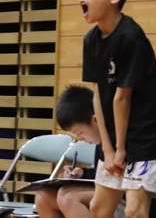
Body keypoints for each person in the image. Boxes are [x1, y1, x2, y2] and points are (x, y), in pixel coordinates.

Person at [80, 0, 156, 218]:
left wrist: (121, 150)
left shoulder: (131, 37)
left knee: (134, 210)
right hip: (113, 136)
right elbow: (98, 94)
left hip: (145, 137)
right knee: (99, 208)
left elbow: (122, 97)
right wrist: (108, 150)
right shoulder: (91, 40)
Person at [35, 85, 100, 218]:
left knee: (68, 198)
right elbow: (102, 172)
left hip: (121, 195)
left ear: (95, 120)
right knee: (43, 196)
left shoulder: (115, 140)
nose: (80, 138)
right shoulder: (99, 143)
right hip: (104, 187)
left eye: (80, 132)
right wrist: (82, 173)